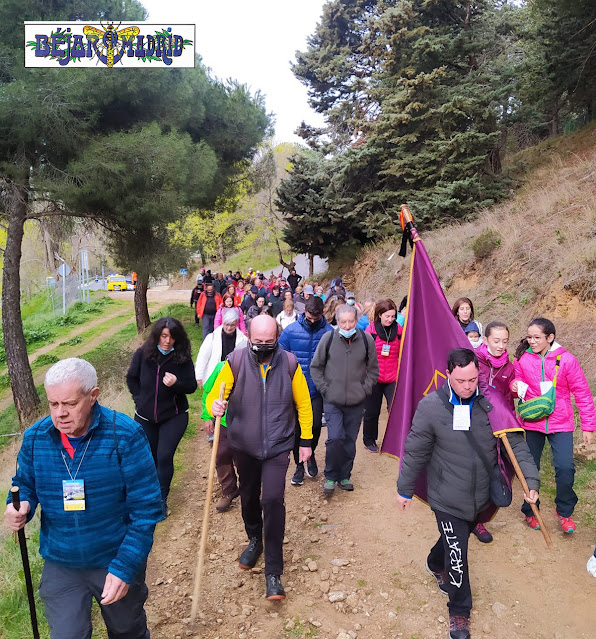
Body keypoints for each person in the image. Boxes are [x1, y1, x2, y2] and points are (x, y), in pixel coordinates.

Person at [4, 358, 163, 639]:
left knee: (127, 630)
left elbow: (147, 510)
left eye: (70, 404)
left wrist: (126, 567)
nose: (60, 414)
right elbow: (24, 484)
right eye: (53, 404)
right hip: (61, 562)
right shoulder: (35, 439)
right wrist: (20, 505)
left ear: (93, 396)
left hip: (114, 557)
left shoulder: (124, 436)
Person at [396, 348, 540, 639]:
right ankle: (459, 612)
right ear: (448, 374)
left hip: (482, 495)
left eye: (473, 379)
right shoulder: (431, 407)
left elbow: (517, 446)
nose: (467, 386)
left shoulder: (492, 404)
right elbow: (415, 450)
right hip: (446, 496)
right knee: (458, 555)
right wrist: (405, 489)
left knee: (453, 541)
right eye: (461, 380)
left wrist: (531, 481)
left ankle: (435, 562)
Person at [206, 315, 313, 600]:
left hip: (278, 446)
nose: (263, 347)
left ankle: (274, 572)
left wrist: (305, 441)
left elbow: (304, 404)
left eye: (269, 342)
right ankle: (255, 538)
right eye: (258, 342)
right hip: (244, 445)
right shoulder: (235, 362)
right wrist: (214, 405)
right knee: (250, 496)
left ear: (276, 338)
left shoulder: (290, 363)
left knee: (272, 500)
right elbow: (214, 394)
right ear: (248, 337)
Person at [512, 317, 596, 533]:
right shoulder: (523, 359)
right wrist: (516, 385)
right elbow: (515, 384)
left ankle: (565, 511)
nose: (531, 341)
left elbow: (583, 393)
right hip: (532, 422)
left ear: (550, 337)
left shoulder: (567, 360)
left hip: (561, 423)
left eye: (537, 337)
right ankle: (530, 510)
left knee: (565, 468)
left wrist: (588, 426)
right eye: (529, 337)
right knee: (530, 469)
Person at [126, 317, 197, 513]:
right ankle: (148, 495)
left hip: (174, 416)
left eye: (172, 337)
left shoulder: (182, 357)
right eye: (164, 336)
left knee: (164, 456)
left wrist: (176, 383)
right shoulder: (143, 354)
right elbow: (131, 378)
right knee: (150, 458)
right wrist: (140, 401)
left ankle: (161, 501)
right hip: (145, 417)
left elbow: (191, 386)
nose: (167, 341)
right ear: (157, 336)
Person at [311, 304, 379, 495]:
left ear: (356, 321)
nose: (347, 326)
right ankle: (331, 476)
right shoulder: (329, 338)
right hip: (333, 400)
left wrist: (365, 390)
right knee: (335, 438)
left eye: (351, 322)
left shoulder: (366, 340)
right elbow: (316, 367)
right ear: (338, 322)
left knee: (349, 440)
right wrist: (326, 390)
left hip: (357, 402)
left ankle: (344, 475)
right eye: (343, 322)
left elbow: (373, 370)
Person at [470, 321, 518, 544]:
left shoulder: (511, 365)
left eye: (505, 341)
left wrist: (518, 387)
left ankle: (480, 519)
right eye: (496, 341)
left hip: (502, 428)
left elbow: (510, 397)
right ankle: (467, 515)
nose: (500, 346)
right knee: (476, 472)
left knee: (499, 473)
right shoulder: (473, 360)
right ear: (486, 339)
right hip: (477, 426)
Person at [196, 309, 248, 511]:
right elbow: (208, 393)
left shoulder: (255, 371)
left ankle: (248, 490)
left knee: (245, 457)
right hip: (224, 421)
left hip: (246, 422)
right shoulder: (221, 368)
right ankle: (228, 489)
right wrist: (207, 416)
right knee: (220, 455)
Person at [279, 296, 334, 486]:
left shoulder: (329, 332)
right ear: (305, 312)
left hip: (317, 390)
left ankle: (309, 453)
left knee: (316, 427)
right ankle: (299, 465)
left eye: (316, 317)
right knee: (296, 430)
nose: (312, 320)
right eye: (309, 316)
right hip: (294, 390)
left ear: (322, 314)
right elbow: (280, 357)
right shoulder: (290, 331)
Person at [362, 299, 402, 453]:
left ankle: (395, 440)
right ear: (379, 315)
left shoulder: (399, 331)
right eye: (387, 316)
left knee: (395, 410)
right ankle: (369, 439)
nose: (390, 319)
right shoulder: (370, 331)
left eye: (393, 316)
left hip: (393, 377)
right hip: (374, 378)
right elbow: (362, 355)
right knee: (372, 411)